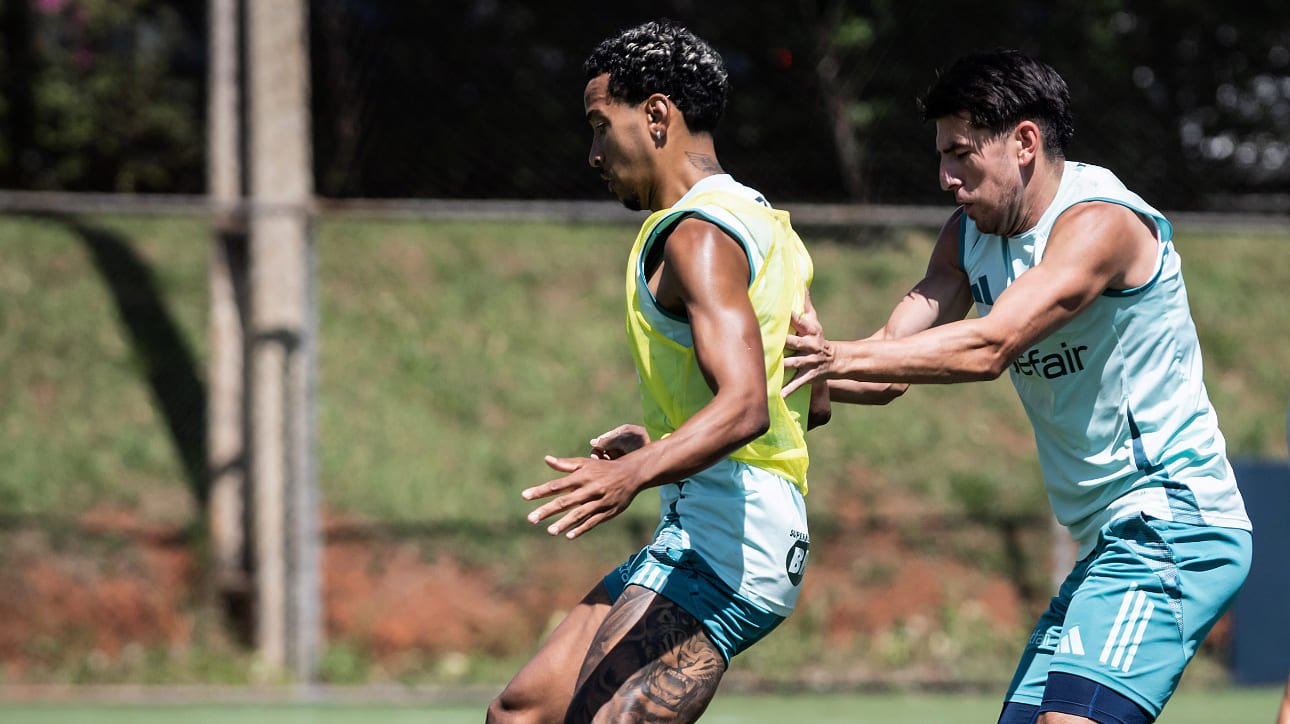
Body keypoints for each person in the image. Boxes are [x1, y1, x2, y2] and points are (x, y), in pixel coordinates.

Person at [781, 49, 1253, 724]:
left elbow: (990, 346)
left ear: (1024, 142)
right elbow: (888, 362)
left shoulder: (1100, 224)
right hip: (1108, 543)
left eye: (962, 154)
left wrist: (832, 359)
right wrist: (774, 373)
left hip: (1174, 524)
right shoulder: (966, 238)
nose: (945, 176)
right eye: (941, 155)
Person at [487, 20, 827, 723]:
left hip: (732, 548)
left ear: (656, 114)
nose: (592, 153)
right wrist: (667, 442)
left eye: (598, 126)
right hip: (704, 528)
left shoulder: (697, 234)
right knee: (519, 713)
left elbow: (746, 408)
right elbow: (810, 399)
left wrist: (629, 475)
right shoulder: (766, 222)